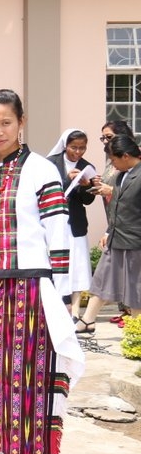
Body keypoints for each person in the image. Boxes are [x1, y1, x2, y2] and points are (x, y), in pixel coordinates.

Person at [0, 89, 85, 454]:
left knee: (29, 370)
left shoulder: (41, 170)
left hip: (30, 285)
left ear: (21, 122)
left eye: (6, 123)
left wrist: (61, 294)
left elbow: (58, 232)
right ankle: (7, 448)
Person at [77, 134, 141, 337]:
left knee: (135, 289)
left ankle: (136, 332)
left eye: (114, 159)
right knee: (101, 280)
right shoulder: (121, 175)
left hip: (135, 241)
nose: (112, 164)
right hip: (116, 237)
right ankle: (87, 320)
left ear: (126, 156)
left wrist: (111, 190)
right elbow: (117, 207)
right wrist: (108, 230)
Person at [47, 129, 98, 320]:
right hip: (53, 221)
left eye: (82, 148)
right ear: (65, 145)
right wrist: (66, 180)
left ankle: (75, 310)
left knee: (77, 265)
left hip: (75, 222)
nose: (78, 152)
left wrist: (86, 186)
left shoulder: (87, 166)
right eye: (74, 147)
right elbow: (45, 191)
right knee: (55, 263)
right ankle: (55, 305)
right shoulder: (51, 163)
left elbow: (88, 201)